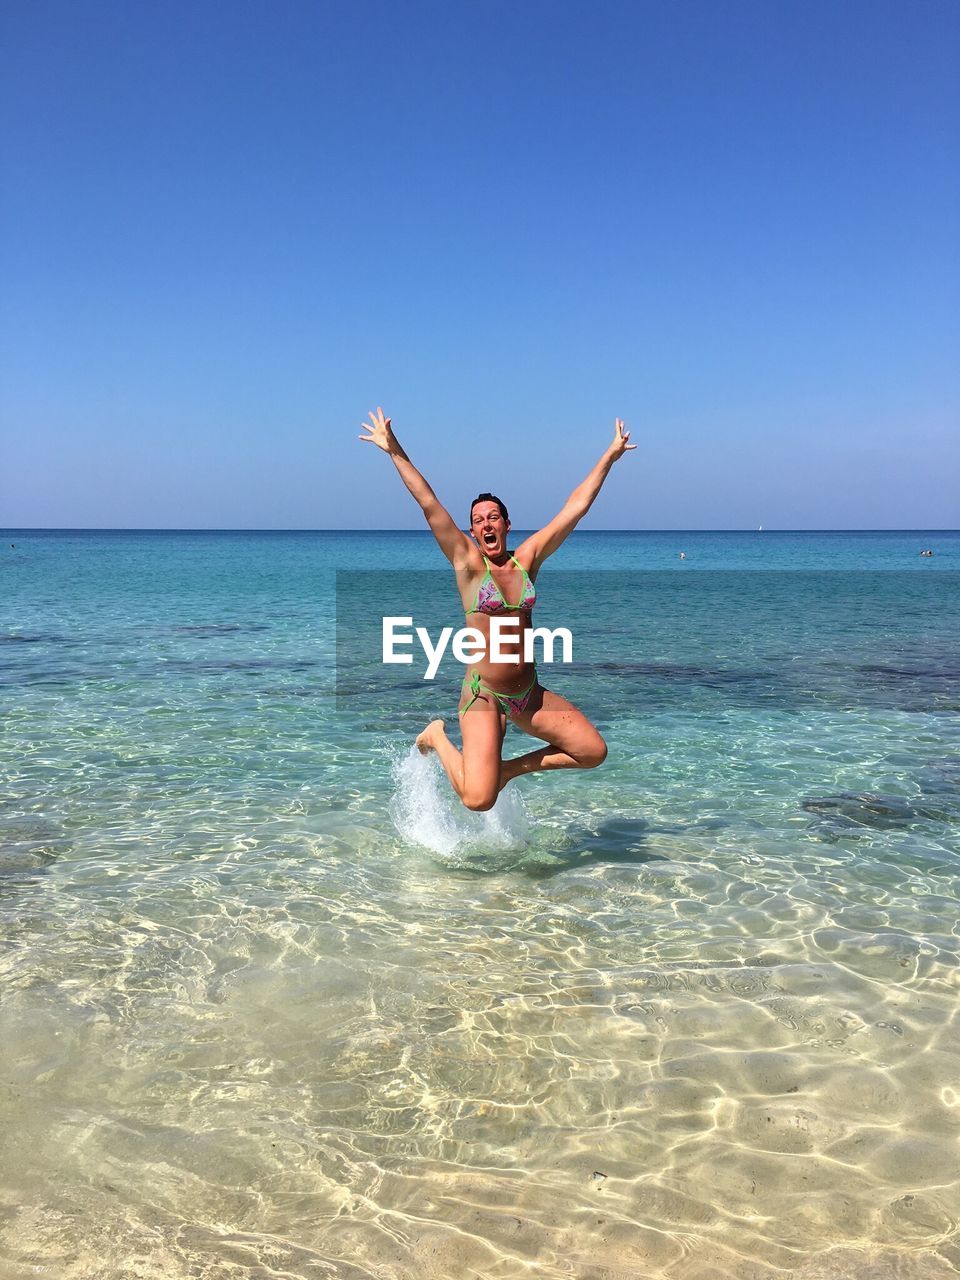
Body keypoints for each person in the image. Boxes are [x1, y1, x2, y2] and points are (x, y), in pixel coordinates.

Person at [359, 406, 635, 811]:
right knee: (477, 799)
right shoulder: (469, 567)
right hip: (484, 695)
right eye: (478, 520)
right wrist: (393, 449)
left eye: (493, 517)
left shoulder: (528, 559)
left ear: (506, 524)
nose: (485, 524)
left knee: (593, 752)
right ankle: (437, 735)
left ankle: (507, 770)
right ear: (472, 532)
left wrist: (609, 457)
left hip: (527, 695)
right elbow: (429, 503)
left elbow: (574, 509)